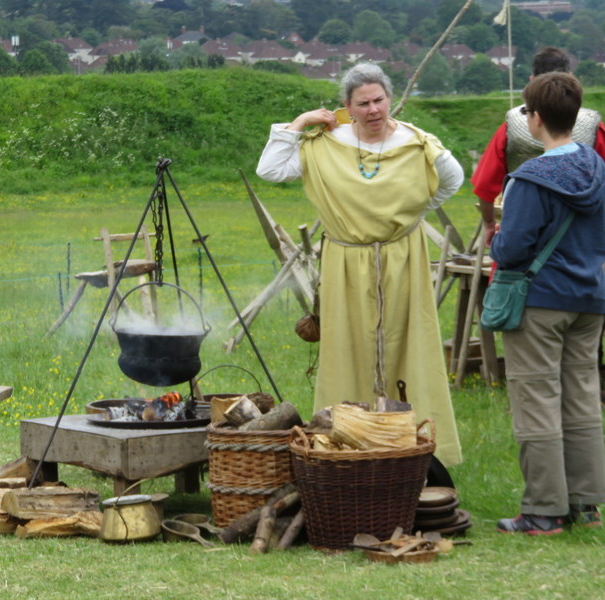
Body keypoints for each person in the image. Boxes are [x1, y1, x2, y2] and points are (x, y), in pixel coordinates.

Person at [256, 62, 463, 467]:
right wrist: (299, 122)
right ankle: (348, 446)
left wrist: (410, 216)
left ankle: (409, 449)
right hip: (346, 262)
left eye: (379, 100)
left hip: (403, 259)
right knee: (348, 350)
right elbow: (271, 169)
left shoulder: (417, 143)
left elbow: (452, 180)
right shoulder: (324, 144)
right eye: (363, 103)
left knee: (407, 347)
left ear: (390, 98)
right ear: (347, 107)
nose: (373, 110)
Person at [490, 72, 605, 535]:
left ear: (534, 119)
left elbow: (513, 249)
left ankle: (543, 509)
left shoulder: (530, 178)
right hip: (592, 298)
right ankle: (587, 502)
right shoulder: (599, 168)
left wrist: (498, 242)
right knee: (581, 396)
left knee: (536, 397)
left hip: (539, 300)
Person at [472, 46, 605, 247]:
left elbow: (484, 185)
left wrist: (489, 223)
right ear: (571, 79)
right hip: (580, 243)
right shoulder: (594, 128)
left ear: (532, 80)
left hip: (522, 235)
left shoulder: (510, 128)